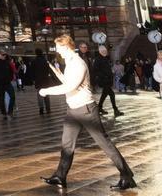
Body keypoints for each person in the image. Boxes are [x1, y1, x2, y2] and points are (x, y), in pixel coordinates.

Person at [39, 34, 136, 191]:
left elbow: (70, 87)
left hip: (85, 109)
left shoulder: (77, 63)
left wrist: (46, 91)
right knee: (67, 144)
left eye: (59, 49)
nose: (58, 52)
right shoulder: (70, 63)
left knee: (105, 144)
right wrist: (60, 76)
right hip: (74, 109)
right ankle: (60, 175)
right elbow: (71, 84)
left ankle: (126, 176)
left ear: (67, 47)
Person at [93, 46, 122, 117]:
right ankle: (115, 110)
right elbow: (95, 70)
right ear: (99, 51)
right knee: (112, 94)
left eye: (105, 50)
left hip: (107, 80)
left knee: (104, 95)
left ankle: (99, 108)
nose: (104, 51)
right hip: (104, 81)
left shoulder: (105, 58)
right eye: (103, 51)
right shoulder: (98, 59)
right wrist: (104, 76)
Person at [0, 49, 16, 118]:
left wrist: (10, 79)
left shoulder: (7, 62)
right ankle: (4, 113)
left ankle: (10, 111)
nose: (4, 56)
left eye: (5, 54)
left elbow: (11, 71)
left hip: (7, 83)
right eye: (3, 55)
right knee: (1, 98)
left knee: (12, 96)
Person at [31, 47, 58, 115]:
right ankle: (48, 109)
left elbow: (32, 72)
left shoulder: (34, 61)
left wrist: (33, 79)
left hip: (38, 81)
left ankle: (41, 109)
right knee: (46, 94)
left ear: (36, 53)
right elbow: (48, 70)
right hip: (45, 80)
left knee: (39, 95)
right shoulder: (45, 60)